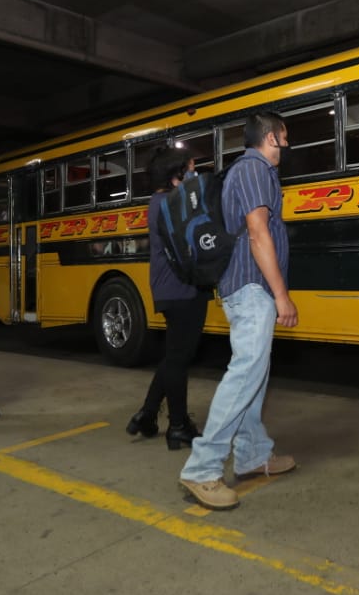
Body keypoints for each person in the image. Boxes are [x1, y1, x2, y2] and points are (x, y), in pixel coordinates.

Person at [178, 112, 297, 510]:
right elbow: (258, 231)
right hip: (250, 288)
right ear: (271, 137)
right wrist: (281, 296)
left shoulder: (252, 172)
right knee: (245, 373)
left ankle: (251, 454)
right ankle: (201, 468)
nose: (287, 144)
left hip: (249, 288)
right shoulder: (253, 170)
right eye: (284, 136)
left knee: (254, 377)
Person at [126, 147, 207, 448]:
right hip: (184, 289)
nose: (193, 174)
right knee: (178, 360)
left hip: (166, 288)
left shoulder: (157, 202)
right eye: (189, 169)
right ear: (176, 178)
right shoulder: (177, 203)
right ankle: (178, 425)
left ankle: (147, 416)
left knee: (174, 355)